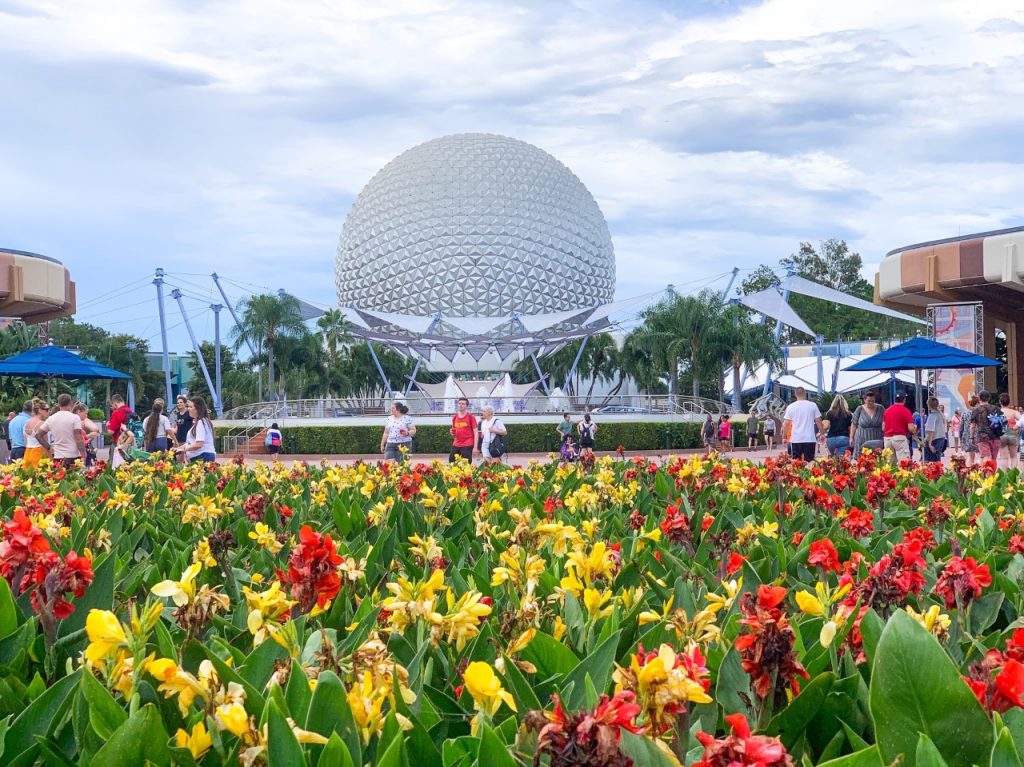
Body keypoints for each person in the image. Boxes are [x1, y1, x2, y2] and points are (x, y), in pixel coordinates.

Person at [33, 393, 86, 468]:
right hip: (73, 455)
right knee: (74, 478)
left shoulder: (51, 418)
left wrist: (49, 447)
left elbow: (38, 435)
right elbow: (78, 437)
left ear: (58, 404)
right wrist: (83, 455)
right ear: (70, 403)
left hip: (58, 456)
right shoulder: (75, 418)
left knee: (60, 478)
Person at [782, 387, 822, 462]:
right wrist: (822, 433)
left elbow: (786, 422)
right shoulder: (813, 405)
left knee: (796, 463)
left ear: (795, 394)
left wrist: (784, 437)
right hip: (809, 438)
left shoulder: (791, 407)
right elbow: (818, 420)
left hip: (796, 439)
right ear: (805, 393)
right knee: (810, 462)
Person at [174, 396, 216, 463]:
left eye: (190, 407)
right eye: (188, 407)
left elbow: (199, 444)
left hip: (202, 457)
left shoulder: (201, 423)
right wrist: (178, 448)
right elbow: (191, 443)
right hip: (201, 457)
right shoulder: (200, 422)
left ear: (198, 409)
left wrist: (185, 450)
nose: (188, 409)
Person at [882, 391, 916, 462]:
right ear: (904, 400)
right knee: (904, 463)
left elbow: (883, 427)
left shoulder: (887, 411)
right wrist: (915, 427)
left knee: (890, 463)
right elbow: (911, 428)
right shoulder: (906, 411)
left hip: (887, 438)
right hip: (900, 438)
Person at [970, 390, 1002, 465]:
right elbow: (1003, 422)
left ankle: (988, 476)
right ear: (989, 398)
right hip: (995, 437)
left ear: (979, 398)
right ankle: (993, 476)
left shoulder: (976, 410)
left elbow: (972, 426)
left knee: (986, 457)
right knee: (993, 458)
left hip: (982, 437)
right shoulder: (996, 408)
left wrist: (971, 437)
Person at [850, 390, 884, 454]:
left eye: (873, 400)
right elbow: (854, 424)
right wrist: (851, 438)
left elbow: (885, 422)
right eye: (869, 401)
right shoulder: (859, 409)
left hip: (877, 439)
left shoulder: (880, 408)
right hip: (862, 439)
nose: (871, 402)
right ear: (864, 400)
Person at [23, 399, 51, 468]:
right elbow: (45, 444)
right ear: (40, 410)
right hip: (38, 453)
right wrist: (51, 459)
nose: (48, 412)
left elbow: (26, 442)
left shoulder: (26, 423)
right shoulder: (41, 424)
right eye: (46, 409)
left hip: (27, 453)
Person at [449, 397, 477, 463]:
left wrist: (475, 447)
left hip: (467, 444)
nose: (460, 405)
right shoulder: (455, 417)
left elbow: (476, 433)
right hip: (456, 444)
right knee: (451, 461)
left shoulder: (471, 417)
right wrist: (452, 432)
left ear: (466, 406)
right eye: (459, 403)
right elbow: (454, 431)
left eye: (463, 404)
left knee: (466, 465)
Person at [72, 402, 101, 467]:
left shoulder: (76, 421)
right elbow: (79, 440)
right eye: (85, 413)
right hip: (79, 453)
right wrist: (89, 436)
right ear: (79, 412)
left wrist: (89, 437)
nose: (86, 416)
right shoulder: (78, 423)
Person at [998, 392, 1021, 470]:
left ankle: (1004, 476)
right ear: (1009, 402)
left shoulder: (998, 412)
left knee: (1004, 458)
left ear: (1000, 402)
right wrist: (1018, 428)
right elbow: (1022, 420)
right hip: (1013, 434)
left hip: (1002, 435)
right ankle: (1013, 476)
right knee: (1014, 456)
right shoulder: (1014, 412)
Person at [923, 396, 949, 463]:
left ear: (929, 405)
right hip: (941, 438)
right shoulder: (941, 414)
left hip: (933, 439)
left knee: (926, 460)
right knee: (937, 460)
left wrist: (929, 444)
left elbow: (931, 430)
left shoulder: (932, 415)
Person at [961, 395, 979, 465]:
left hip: (967, 436)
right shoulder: (979, 412)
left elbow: (961, 426)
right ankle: (977, 473)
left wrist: (961, 437)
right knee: (979, 456)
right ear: (977, 403)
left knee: (970, 456)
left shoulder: (965, 413)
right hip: (977, 435)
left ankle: (968, 471)